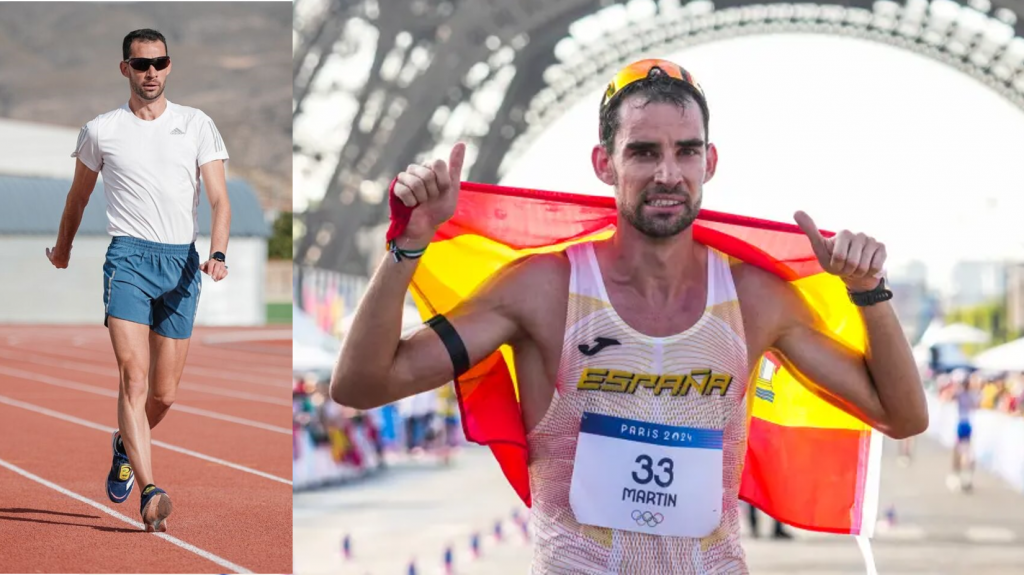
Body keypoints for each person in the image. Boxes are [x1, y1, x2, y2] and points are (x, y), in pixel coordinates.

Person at [330, 58, 928, 572]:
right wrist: (409, 245)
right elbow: (362, 383)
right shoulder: (544, 289)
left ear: (710, 161)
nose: (668, 174)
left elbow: (901, 416)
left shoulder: (755, 297)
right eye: (643, 152)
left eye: (685, 152)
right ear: (603, 162)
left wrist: (870, 292)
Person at [47, 28, 230, 532]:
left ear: (169, 66)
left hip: (182, 263)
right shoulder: (101, 130)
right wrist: (62, 248)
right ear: (124, 68)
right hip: (127, 259)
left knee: (164, 396)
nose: (151, 72)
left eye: (159, 62)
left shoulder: (196, 124)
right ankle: (150, 488)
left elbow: (219, 200)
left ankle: (123, 445)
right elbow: (77, 199)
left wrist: (217, 252)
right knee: (134, 377)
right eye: (141, 64)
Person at [949, 370, 979, 492]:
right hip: (968, 424)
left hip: (961, 424)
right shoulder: (971, 395)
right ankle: (966, 477)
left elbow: (951, 397)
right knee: (966, 450)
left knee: (961, 451)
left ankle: (962, 476)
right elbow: (976, 405)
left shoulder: (960, 393)